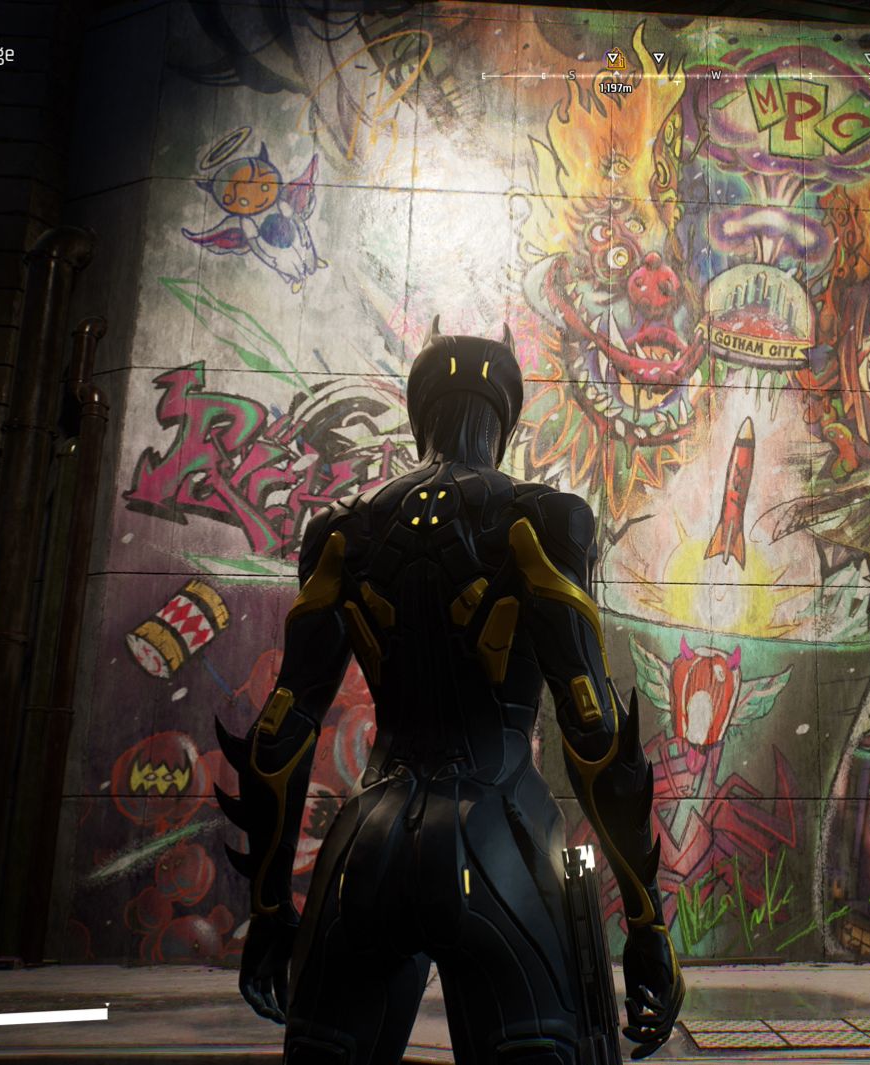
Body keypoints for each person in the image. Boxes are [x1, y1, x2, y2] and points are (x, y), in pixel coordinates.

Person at [216, 321, 683, 1064]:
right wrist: (646, 923)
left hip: (365, 844)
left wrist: (270, 910)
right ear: (505, 419)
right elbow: (592, 729)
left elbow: (281, 732)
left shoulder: (338, 532)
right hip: (503, 837)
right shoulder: (546, 518)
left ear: (419, 413)